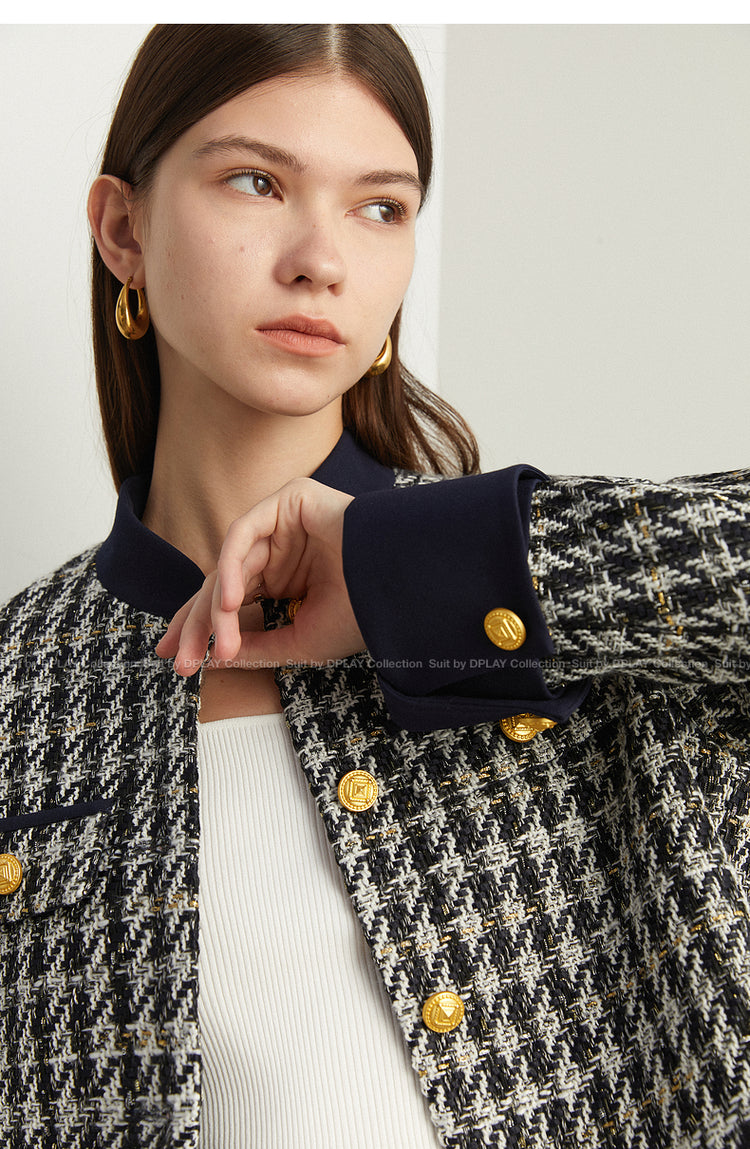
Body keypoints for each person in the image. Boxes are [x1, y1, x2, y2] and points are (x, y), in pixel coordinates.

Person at [0, 22, 748, 1149]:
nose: (322, 258)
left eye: (380, 207)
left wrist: (413, 571)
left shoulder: (558, 609)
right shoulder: (21, 685)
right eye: (256, 182)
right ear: (123, 229)